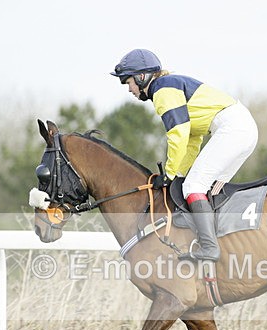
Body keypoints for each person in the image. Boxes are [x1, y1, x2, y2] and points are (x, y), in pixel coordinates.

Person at [111, 49, 258, 262]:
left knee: (193, 186)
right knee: (209, 188)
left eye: (128, 82)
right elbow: (192, 140)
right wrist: (179, 174)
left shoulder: (162, 90)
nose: (129, 89)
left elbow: (178, 135)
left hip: (233, 129)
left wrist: (169, 174)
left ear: (142, 77)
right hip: (243, 128)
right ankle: (220, 241)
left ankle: (209, 247)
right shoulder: (170, 85)